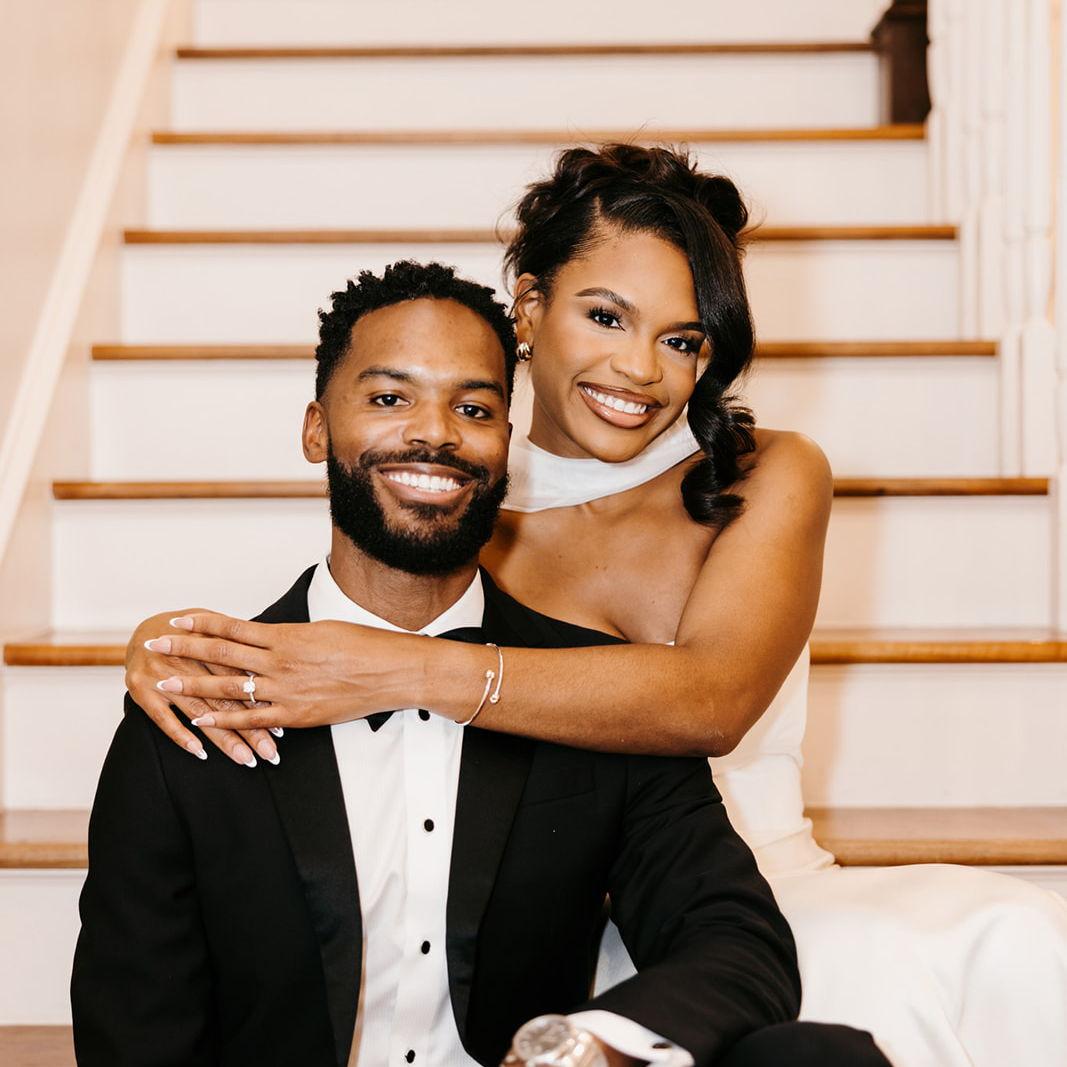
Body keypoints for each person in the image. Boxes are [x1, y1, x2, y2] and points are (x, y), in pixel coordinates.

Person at [124, 145, 1067, 1067]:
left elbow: (710, 701)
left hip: (735, 899)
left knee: (993, 955)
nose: (640, 370)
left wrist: (404, 669)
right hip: (539, 935)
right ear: (529, 307)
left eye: (682, 340)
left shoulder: (765, 474)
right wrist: (166, 645)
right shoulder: (453, 496)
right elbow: (344, 610)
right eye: (607, 316)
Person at [71, 262, 891, 1067]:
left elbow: (735, 941)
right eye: (389, 399)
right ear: (317, 428)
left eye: (473, 407)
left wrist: (578, 1050)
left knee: (819, 1057)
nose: (434, 432)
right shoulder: (200, 698)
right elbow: (136, 1023)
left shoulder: (594, 694)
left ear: (505, 444)